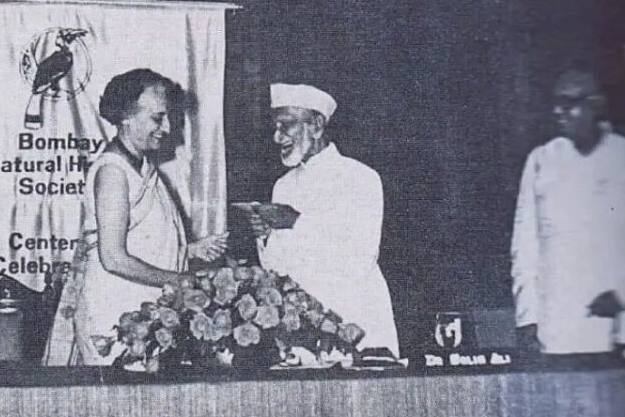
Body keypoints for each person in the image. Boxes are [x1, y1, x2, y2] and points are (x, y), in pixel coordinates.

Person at [46, 68, 228, 365]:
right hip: (116, 318)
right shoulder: (113, 173)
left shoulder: (141, 168)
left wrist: (191, 250)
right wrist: (180, 279)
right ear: (126, 117)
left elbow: (143, 240)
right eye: (158, 118)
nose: (167, 128)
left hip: (145, 312)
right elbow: (113, 258)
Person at [253, 83, 399, 355]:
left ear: (317, 125)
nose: (277, 136)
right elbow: (279, 270)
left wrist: (296, 222)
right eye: (276, 127)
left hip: (356, 321)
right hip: (300, 334)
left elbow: (359, 259)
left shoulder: (360, 178)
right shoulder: (282, 186)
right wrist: (265, 237)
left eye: (286, 125)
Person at [511, 69, 625, 355]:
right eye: (555, 103)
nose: (557, 112)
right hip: (558, 326)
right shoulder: (542, 161)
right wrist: (528, 317)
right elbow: (525, 246)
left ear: (596, 105)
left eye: (568, 104)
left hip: (616, 326)